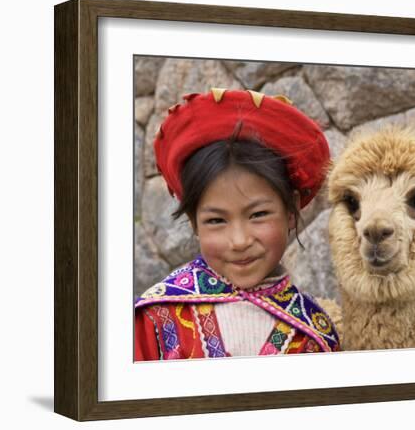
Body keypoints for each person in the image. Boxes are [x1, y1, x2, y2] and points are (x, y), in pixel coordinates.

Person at [135, 88, 340, 360]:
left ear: (290, 210)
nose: (240, 240)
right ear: (194, 223)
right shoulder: (155, 319)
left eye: (258, 215)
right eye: (216, 220)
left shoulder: (315, 335)